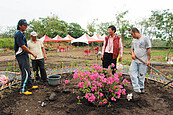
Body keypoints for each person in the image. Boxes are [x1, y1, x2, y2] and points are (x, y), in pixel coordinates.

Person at [14, 19, 38, 95]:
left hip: (24, 55)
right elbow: (23, 46)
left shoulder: (22, 34)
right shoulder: (19, 34)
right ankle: (23, 89)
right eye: (24, 25)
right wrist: (32, 53)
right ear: (20, 26)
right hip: (21, 56)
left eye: (26, 25)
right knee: (25, 72)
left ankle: (30, 86)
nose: (26, 27)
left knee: (28, 71)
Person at [129, 27, 152, 94]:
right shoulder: (134, 40)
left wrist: (148, 60)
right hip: (135, 60)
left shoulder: (145, 38)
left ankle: (141, 87)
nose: (132, 36)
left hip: (143, 61)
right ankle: (136, 89)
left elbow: (149, 50)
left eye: (132, 34)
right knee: (132, 73)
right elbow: (132, 49)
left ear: (136, 32)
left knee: (141, 75)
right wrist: (133, 54)